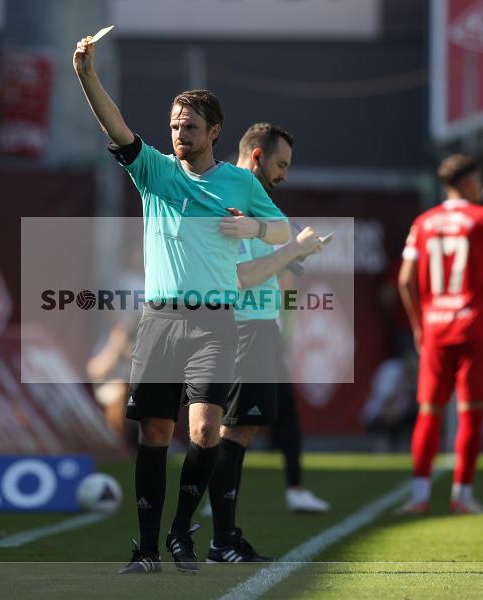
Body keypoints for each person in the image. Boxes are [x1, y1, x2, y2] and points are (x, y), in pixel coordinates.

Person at [73, 36, 289, 574]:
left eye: (189, 127)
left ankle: (179, 530)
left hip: (215, 323)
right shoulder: (155, 171)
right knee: (153, 433)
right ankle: (146, 547)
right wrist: (86, 75)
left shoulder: (239, 181)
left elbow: (282, 230)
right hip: (160, 320)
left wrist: (254, 226)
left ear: (214, 132)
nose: (178, 133)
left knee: (205, 432)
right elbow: (115, 126)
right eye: (174, 125)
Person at [204, 123, 329, 563]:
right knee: (231, 433)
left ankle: (224, 535)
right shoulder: (232, 199)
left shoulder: (259, 206)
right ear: (256, 156)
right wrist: (293, 250)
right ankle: (221, 539)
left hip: (256, 327)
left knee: (237, 431)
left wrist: (296, 254)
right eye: (280, 164)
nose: (285, 176)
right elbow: (239, 279)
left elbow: (273, 270)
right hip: (242, 327)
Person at [396, 154, 483, 515]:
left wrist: (418, 325)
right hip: (475, 328)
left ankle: (419, 496)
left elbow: (405, 279)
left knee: (429, 412)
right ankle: (462, 495)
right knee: (471, 413)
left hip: (435, 328)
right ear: (470, 182)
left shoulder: (424, 222)